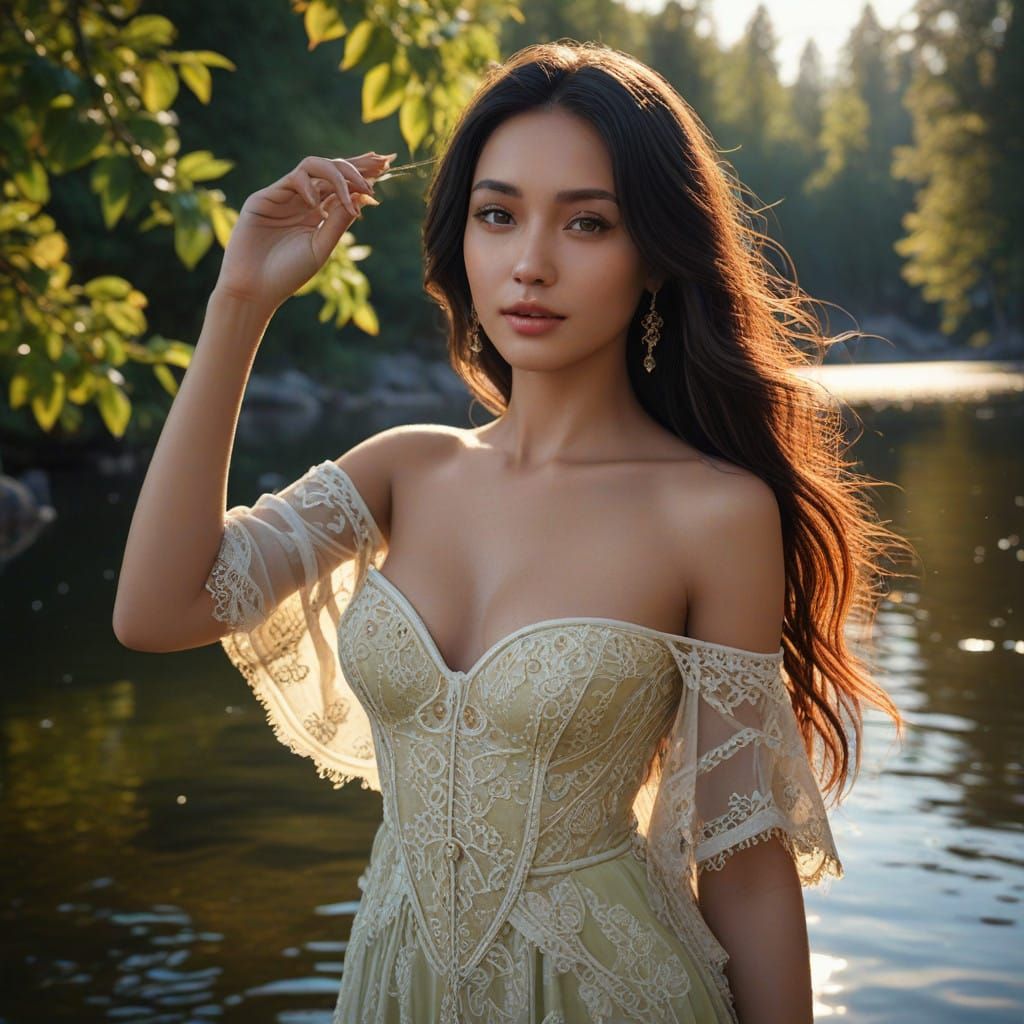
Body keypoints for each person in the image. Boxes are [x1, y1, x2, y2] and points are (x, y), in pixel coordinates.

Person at [114, 40, 909, 1024]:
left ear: (654, 255)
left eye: (587, 222)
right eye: (498, 215)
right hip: (391, 989)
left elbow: (740, 857)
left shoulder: (711, 511)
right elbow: (156, 608)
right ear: (462, 242)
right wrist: (240, 303)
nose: (530, 262)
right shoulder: (406, 468)